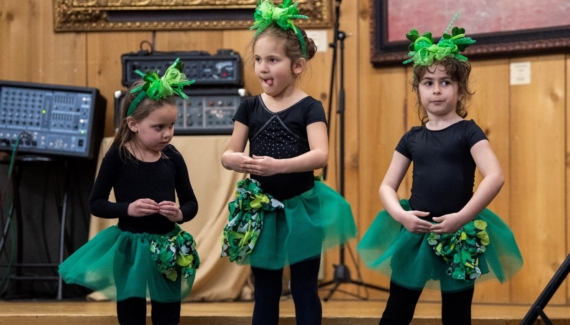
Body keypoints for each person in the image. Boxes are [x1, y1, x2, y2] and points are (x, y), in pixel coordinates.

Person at [356, 20, 523, 325]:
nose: (436, 90)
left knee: (457, 314)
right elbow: (386, 187)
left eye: (445, 82)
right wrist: (401, 216)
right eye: (428, 83)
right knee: (397, 309)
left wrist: (463, 217)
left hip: (460, 234)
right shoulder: (411, 138)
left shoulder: (468, 132)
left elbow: (495, 176)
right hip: (416, 231)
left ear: (460, 91)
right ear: (418, 90)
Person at [220, 1, 357, 324]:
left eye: (273, 60)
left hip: (301, 209)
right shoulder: (249, 107)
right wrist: (236, 160)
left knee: (304, 286)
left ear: (297, 65)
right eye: (257, 60)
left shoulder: (310, 107)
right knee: (265, 289)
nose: (263, 68)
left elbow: (320, 155)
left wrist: (277, 166)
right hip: (262, 210)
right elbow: (228, 153)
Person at [58, 58, 200, 325]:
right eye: (159, 127)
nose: (168, 134)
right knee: (130, 314)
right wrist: (128, 208)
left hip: (166, 247)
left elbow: (191, 203)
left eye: (171, 125)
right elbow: (96, 203)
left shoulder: (173, 157)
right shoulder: (117, 157)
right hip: (129, 248)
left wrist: (179, 213)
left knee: (168, 314)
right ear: (133, 124)